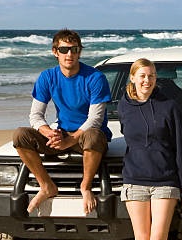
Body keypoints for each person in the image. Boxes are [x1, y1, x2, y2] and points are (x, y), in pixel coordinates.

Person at [118, 58, 182, 240]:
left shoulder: (169, 107)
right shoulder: (124, 107)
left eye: (151, 76)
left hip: (165, 182)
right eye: (142, 76)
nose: (147, 81)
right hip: (134, 180)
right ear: (133, 79)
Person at [13, 29, 112, 214]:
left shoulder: (95, 77)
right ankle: (46, 186)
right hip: (63, 134)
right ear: (55, 51)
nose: (69, 54)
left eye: (74, 49)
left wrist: (69, 140)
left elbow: (95, 119)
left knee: (93, 136)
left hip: (89, 138)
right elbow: (35, 115)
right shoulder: (47, 77)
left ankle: (86, 187)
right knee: (20, 135)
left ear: (79, 51)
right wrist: (49, 133)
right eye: (64, 49)